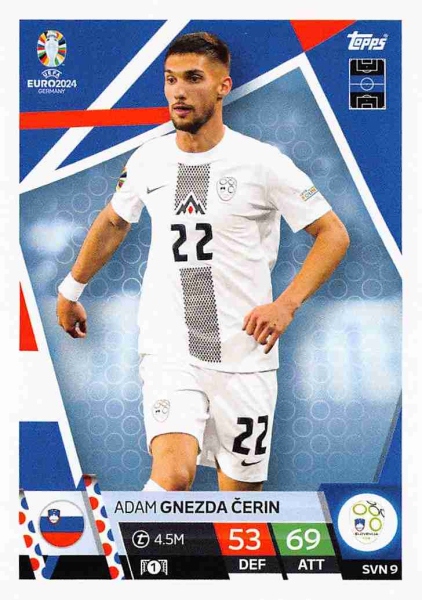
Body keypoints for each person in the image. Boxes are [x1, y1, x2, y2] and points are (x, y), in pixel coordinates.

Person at [57, 32, 349, 493]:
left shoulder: (262, 163)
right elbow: (114, 222)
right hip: (171, 349)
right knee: (173, 476)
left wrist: (286, 304)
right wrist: (70, 289)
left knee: (239, 508)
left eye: (193, 78)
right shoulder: (149, 159)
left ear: (223, 86)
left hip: (246, 357)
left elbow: (333, 233)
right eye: (171, 79)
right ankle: (132, 543)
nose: (178, 91)